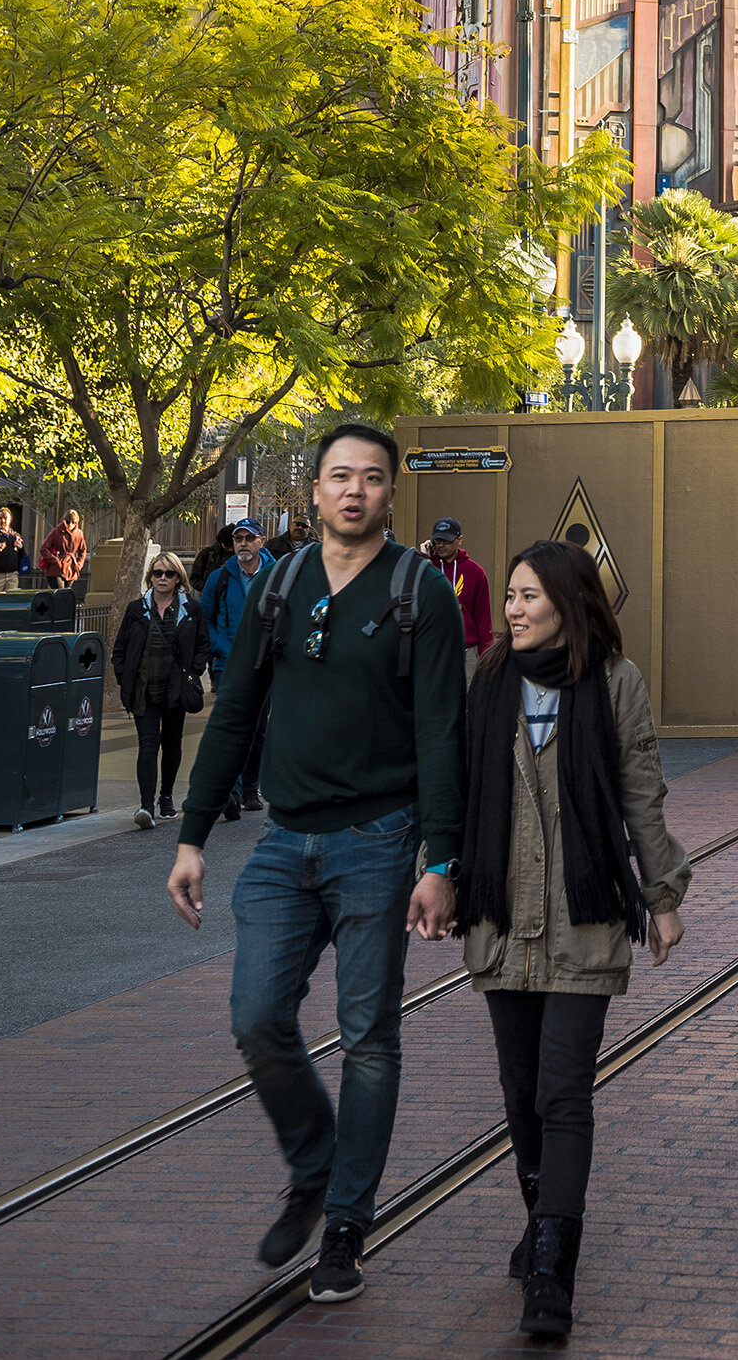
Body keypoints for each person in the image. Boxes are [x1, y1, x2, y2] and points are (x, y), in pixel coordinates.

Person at [165, 422, 465, 1308]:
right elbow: (235, 712)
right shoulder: (283, 583)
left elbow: (441, 735)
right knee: (258, 1017)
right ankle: (314, 1163)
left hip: (379, 840)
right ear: (318, 490)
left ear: (389, 493)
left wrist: (440, 859)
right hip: (282, 842)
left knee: (369, 1035)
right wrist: (190, 836)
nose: (354, 491)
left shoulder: (422, 591)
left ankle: (343, 1225)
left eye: (372, 478)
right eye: (340, 476)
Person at [459, 538, 688, 1342]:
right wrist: (436, 875)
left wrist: (661, 897)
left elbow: (641, 794)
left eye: (526, 596)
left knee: (563, 1094)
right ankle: (540, 1218)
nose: (512, 609)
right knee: (520, 1096)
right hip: (500, 918)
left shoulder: (616, 684)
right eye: (510, 596)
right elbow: (456, 794)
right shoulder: (487, 683)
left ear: (566, 601)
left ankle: (553, 1267)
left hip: (583, 919)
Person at [112, 553, 209, 828]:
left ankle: (166, 797)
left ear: (178, 578)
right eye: (157, 573)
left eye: (168, 574)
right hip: (144, 689)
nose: (162, 578)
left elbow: (203, 644)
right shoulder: (136, 609)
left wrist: (194, 672)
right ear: (149, 577)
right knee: (148, 745)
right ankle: (146, 805)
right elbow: (120, 650)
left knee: (172, 744)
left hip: (176, 689)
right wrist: (125, 677)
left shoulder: (191, 610)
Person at [203, 521, 273, 819]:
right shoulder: (219, 578)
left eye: (248, 538)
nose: (242, 543)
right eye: (238, 539)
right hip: (227, 664)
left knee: (257, 730)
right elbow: (205, 619)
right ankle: (229, 790)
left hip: (263, 665)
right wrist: (222, 648)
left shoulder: (277, 576)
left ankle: (249, 788)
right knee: (232, 727)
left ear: (261, 541)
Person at [422, 515, 494, 680]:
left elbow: (483, 619)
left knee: (467, 703)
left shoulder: (475, 572)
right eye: (437, 541)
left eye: (446, 541)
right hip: (432, 651)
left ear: (459, 539)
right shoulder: (425, 567)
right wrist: (424, 557)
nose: (441, 545)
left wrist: (487, 658)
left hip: (466, 652)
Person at [37, 510, 88, 591]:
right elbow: (43, 549)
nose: (70, 524)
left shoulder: (79, 534)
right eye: (68, 522)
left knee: (66, 595)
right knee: (60, 594)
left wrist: (79, 564)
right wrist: (56, 561)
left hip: (71, 569)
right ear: (64, 520)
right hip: (56, 569)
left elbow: (83, 551)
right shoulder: (57, 531)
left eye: (74, 522)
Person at [0, 508, 27, 593]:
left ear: (10, 519)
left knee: (10, 603)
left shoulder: (16, 536)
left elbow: (22, 555)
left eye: (5, 518)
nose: (3, 520)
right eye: (0, 518)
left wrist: (21, 547)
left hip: (12, 575)